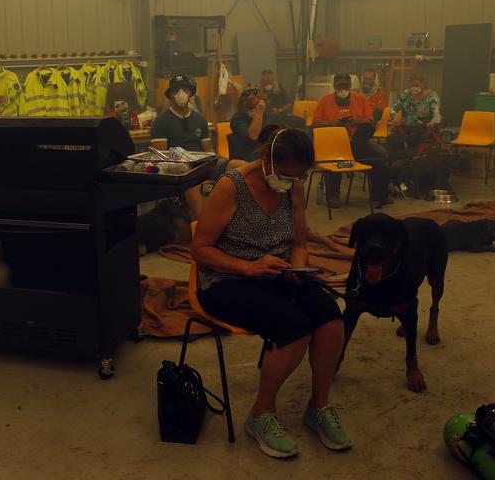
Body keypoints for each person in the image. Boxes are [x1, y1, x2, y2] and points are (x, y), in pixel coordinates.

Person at [192, 126, 352, 459]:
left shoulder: (292, 188)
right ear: (266, 159)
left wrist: (297, 268)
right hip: (226, 280)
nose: (292, 183)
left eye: (298, 178)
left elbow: (299, 243)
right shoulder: (230, 187)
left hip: (276, 273)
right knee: (294, 329)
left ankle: (318, 407)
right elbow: (201, 250)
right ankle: (261, 414)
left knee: (331, 319)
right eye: (286, 175)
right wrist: (248, 267)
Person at [151, 74, 244, 218]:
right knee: (192, 186)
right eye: (176, 90)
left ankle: (243, 215)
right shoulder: (161, 121)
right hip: (181, 168)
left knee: (240, 166)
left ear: (191, 93)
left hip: (202, 163)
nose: (181, 94)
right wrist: (184, 166)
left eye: (185, 89)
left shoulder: (199, 118)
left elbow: (208, 149)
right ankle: (202, 227)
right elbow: (161, 155)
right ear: (171, 95)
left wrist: (215, 161)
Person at [312, 73, 390, 209]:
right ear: (334, 86)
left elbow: (370, 122)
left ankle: (380, 194)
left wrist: (357, 121)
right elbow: (315, 124)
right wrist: (332, 123)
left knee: (381, 155)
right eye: (339, 83)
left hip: (357, 140)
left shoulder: (360, 99)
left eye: (345, 84)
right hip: (334, 143)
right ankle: (333, 194)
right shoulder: (324, 101)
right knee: (338, 158)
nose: (342, 86)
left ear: (350, 86)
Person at [388, 71, 442, 153]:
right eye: (412, 85)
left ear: (423, 84)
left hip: (422, 129)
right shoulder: (406, 94)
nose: (414, 88)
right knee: (393, 139)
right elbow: (392, 109)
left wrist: (432, 123)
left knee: (414, 137)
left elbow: (437, 116)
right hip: (404, 127)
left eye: (416, 85)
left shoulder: (431, 96)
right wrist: (396, 118)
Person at [229, 85, 267, 161]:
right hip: (247, 159)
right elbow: (253, 137)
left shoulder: (265, 115)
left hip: (263, 155)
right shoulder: (237, 119)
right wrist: (259, 111)